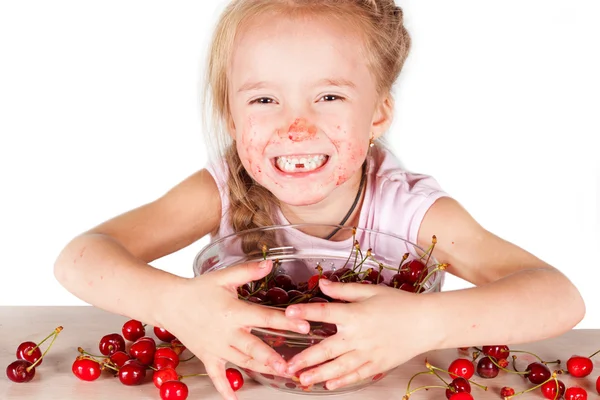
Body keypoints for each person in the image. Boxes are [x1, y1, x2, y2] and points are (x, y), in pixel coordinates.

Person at [53, 1, 585, 399]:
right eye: (264, 99)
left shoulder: (410, 210)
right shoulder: (225, 191)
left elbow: (558, 297)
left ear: (377, 114)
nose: (296, 124)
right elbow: (79, 258)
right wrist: (175, 305)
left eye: (329, 96)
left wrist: (425, 323)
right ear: (233, 118)